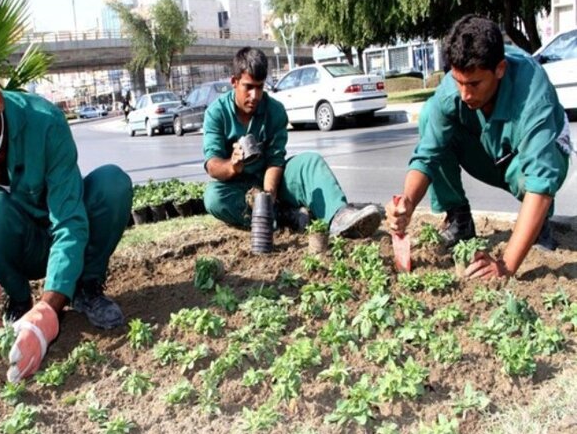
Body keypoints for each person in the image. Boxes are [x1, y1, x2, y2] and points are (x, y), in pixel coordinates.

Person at [0, 54, 133, 383]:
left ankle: (85, 288)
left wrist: (49, 310)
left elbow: (68, 221)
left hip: (68, 245)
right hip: (19, 252)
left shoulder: (45, 123)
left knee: (113, 184)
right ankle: (20, 302)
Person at [386, 15, 572, 279]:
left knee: (528, 178)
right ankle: (459, 218)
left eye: (474, 84)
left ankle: (538, 224)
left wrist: (505, 265)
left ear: (500, 69)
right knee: (430, 115)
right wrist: (406, 203)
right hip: (490, 152)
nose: (465, 94)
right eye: (459, 81)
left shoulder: (532, 92)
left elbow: (541, 183)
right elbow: (427, 155)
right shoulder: (455, 89)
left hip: (538, 159)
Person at [202, 46, 381, 238]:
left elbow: (275, 160)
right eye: (248, 87)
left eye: (260, 87)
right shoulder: (216, 113)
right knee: (214, 198)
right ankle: (284, 217)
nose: (255, 96)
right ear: (234, 82)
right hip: (240, 188)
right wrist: (232, 166)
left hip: (274, 182)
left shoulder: (275, 110)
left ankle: (339, 216)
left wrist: (269, 196)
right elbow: (212, 165)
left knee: (310, 162)